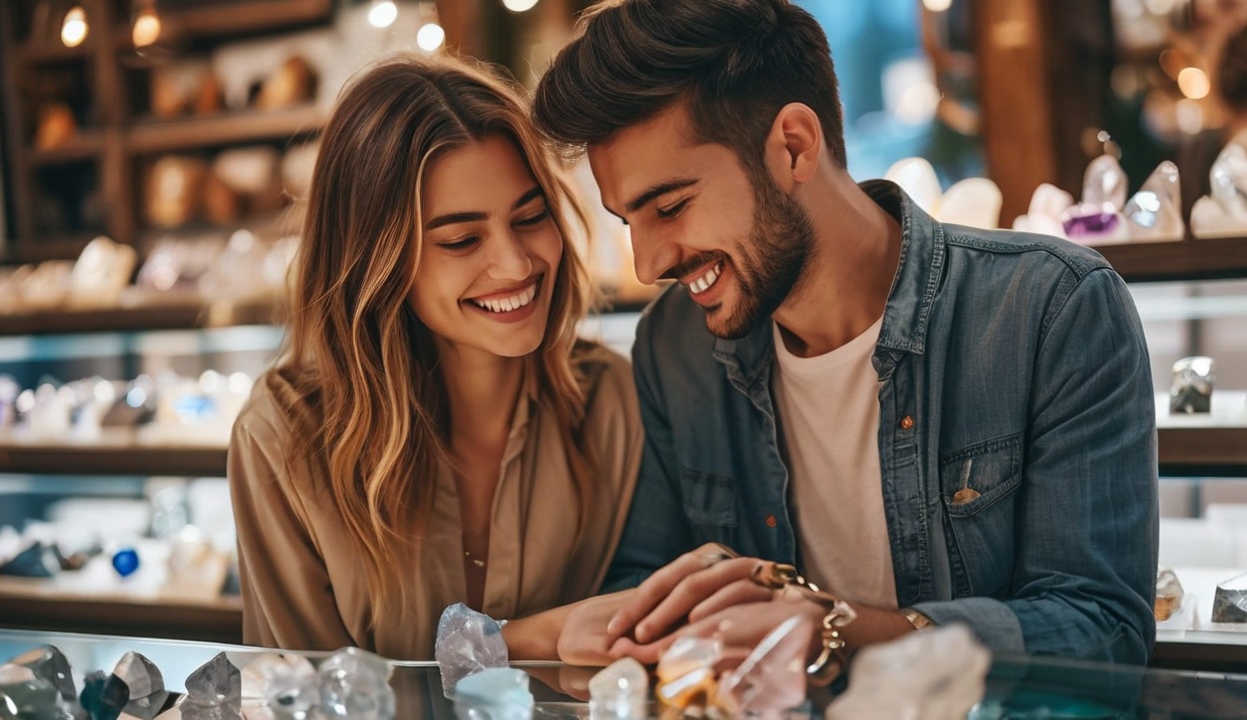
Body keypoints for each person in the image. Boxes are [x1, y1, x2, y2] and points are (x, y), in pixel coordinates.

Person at [532, 0, 1158, 674]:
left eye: (670, 206)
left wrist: (838, 631)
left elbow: (1102, 628)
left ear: (794, 146)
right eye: (629, 221)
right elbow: (647, 587)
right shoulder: (673, 347)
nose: (649, 263)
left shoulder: (1050, 308)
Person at [228, 54, 642, 660]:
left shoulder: (612, 401)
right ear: (377, 259)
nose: (517, 263)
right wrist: (514, 646)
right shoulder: (284, 439)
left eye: (530, 217)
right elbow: (305, 698)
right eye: (462, 240)